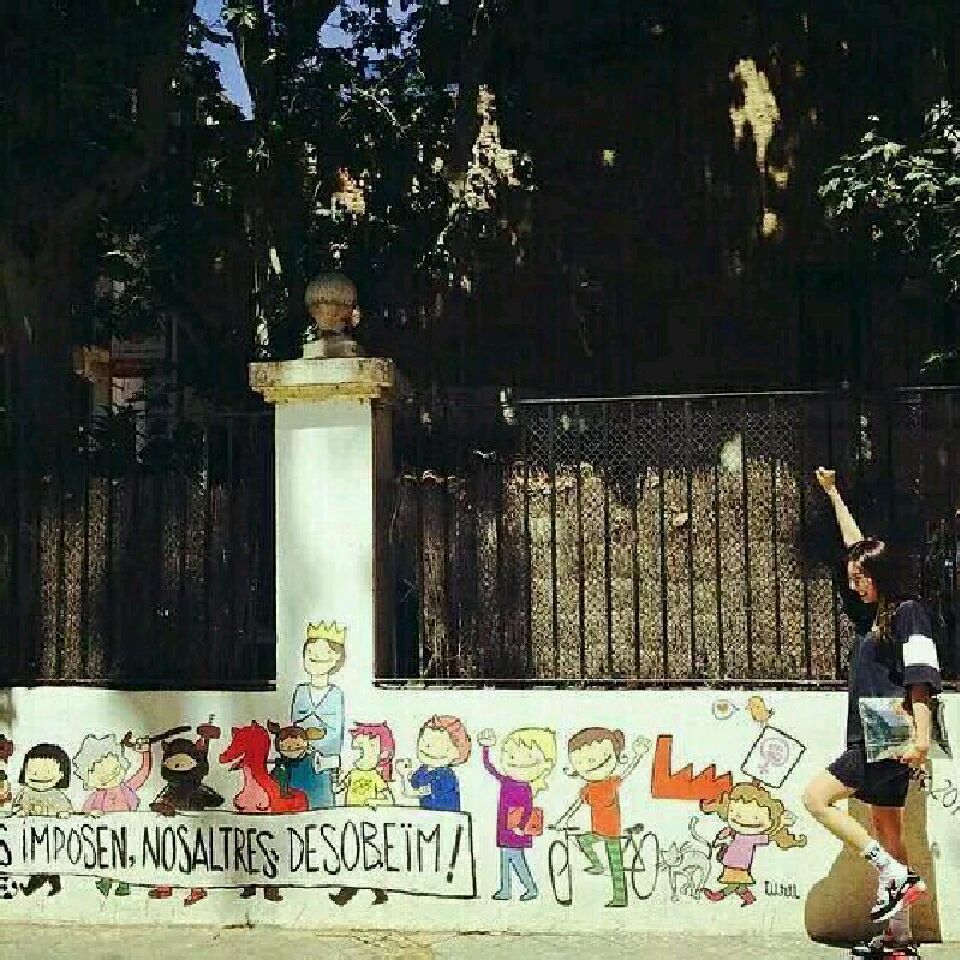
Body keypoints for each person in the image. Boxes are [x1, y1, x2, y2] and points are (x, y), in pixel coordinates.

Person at [802, 467, 940, 958]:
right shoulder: (874, 616)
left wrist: (920, 740)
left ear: (879, 576)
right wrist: (833, 494)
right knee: (887, 829)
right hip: (880, 737)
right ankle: (899, 938)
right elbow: (856, 546)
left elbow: (921, 677)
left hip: (887, 737)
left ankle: (894, 875)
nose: (854, 586)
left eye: (860, 579)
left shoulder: (908, 612)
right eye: (851, 579)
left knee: (816, 798)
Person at [551, 728, 651, 907]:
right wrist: (561, 821)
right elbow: (575, 807)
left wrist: (638, 755)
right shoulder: (588, 788)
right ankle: (597, 864)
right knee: (583, 841)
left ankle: (620, 898)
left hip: (612, 831)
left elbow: (627, 771)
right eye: (580, 761)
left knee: (616, 866)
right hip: (598, 830)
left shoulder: (611, 782)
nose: (590, 764)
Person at [478, 726, 557, 902]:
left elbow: (528, 809)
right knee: (506, 859)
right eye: (511, 756)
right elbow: (490, 768)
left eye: (527, 759)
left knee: (516, 859)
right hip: (505, 828)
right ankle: (507, 889)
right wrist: (486, 748)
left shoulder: (525, 788)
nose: (515, 763)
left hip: (516, 830)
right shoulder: (506, 781)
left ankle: (529, 889)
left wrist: (520, 827)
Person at [396, 715, 471, 813]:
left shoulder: (446, 776)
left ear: (456, 752)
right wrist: (405, 774)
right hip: (428, 816)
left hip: (447, 818)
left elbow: (413, 792)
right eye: (424, 743)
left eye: (439, 746)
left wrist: (404, 776)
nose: (427, 749)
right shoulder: (422, 771)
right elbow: (412, 786)